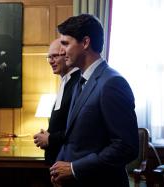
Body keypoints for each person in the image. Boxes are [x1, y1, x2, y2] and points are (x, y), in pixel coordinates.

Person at [49, 14, 139, 187]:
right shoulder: (80, 81)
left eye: (66, 44)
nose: (61, 51)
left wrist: (74, 169)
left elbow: (126, 147)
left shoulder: (112, 83)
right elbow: (73, 140)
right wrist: (58, 171)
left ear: (85, 43)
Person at [33, 38, 80, 166]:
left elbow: (76, 129)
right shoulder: (66, 82)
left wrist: (50, 139)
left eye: (54, 56)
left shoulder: (77, 83)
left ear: (66, 55)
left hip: (68, 164)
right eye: (48, 57)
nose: (50, 61)